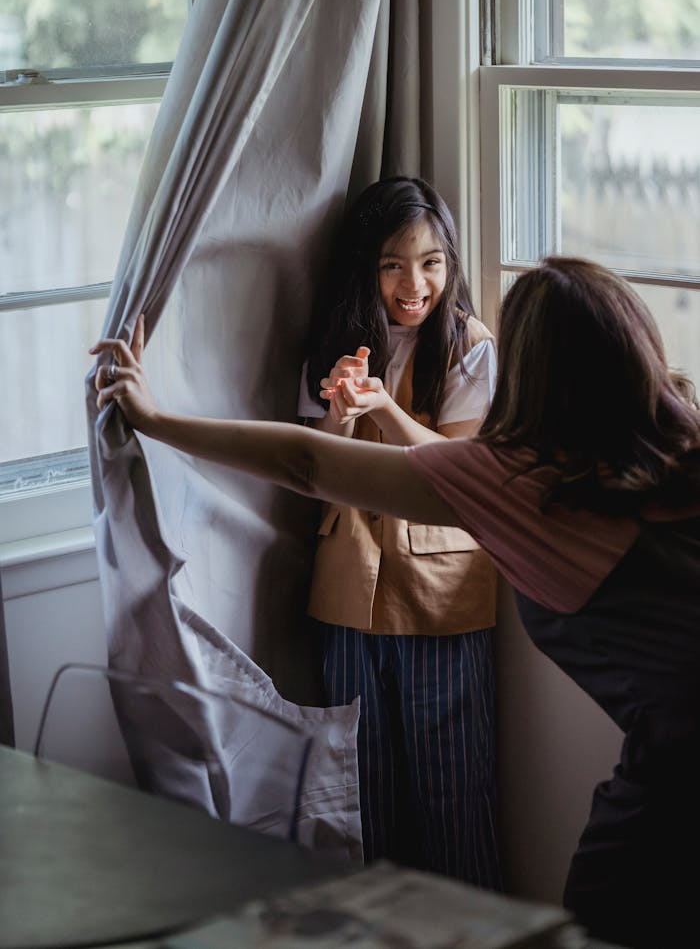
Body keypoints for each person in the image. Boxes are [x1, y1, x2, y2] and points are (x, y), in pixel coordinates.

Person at [92, 256, 700, 949]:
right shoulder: (682, 435)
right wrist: (382, 409)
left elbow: (310, 464)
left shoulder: (532, 484)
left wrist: (155, 417)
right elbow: (441, 474)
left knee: (603, 916)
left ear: (533, 374)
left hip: (678, 778)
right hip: (670, 761)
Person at [297, 176, 501, 887]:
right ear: (367, 268)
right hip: (347, 586)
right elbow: (315, 463)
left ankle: (481, 933)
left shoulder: (470, 346)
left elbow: (447, 466)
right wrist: (340, 411)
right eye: (393, 265)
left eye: (431, 262)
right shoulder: (335, 341)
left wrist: (380, 403)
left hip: (441, 591)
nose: (415, 284)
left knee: (453, 795)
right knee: (362, 793)